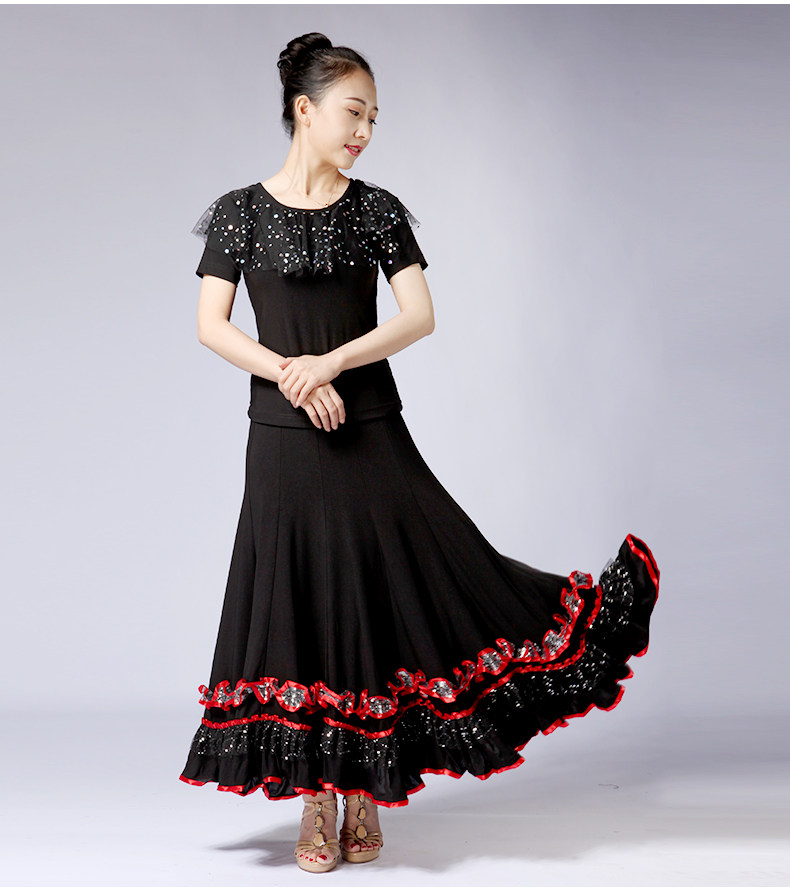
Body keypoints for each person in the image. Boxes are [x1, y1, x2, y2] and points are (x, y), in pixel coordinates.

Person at [178, 31, 661, 874]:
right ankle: (316, 797)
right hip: (282, 439)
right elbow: (210, 326)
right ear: (304, 109)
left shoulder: (376, 210)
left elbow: (418, 316)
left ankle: (365, 782)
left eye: (374, 117)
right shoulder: (238, 212)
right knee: (297, 600)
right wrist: (293, 375)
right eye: (353, 113)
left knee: (392, 585)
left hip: (368, 428)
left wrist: (331, 363)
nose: (365, 131)